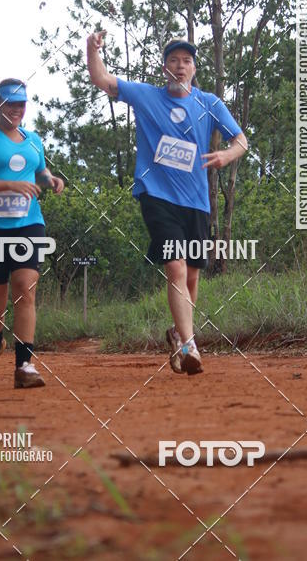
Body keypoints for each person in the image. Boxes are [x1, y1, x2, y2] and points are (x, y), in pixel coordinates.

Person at [87, 32, 248, 375]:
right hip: (157, 195)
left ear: (193, 68)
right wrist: (93, 49)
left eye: (186, 61)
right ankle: (191, 347)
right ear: (165, 68)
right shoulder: (146, 96)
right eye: (174, 61)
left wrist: (227, 154)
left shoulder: (209, 103)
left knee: (191, 277)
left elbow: (242, 140)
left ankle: (178, 333)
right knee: (175, 267)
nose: (180, 66)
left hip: (197, 203)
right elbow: (101, 79)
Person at [0, 78, 64, 388]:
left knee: (24, 288)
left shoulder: (33, 139)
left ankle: (24, 366)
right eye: (11, 104)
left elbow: (40, 170)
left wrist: (51, 179)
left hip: (28, 225)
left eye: (21, 104)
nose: (17, 109)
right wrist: (9, 184)